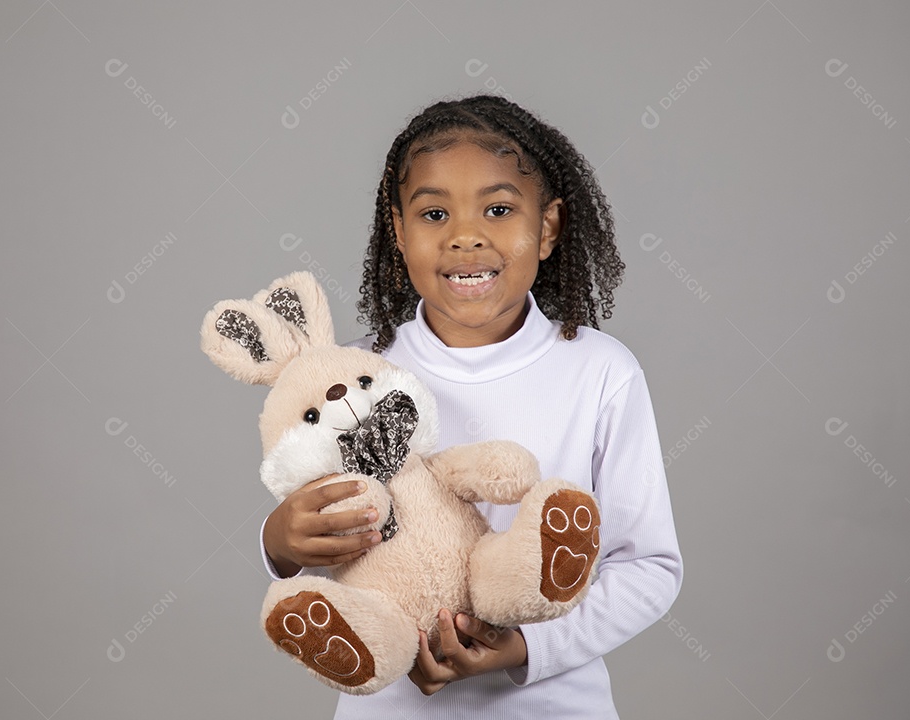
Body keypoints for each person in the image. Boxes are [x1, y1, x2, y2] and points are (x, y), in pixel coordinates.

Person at [259, 94, 683, 719]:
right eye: (433, 213)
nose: (464, 235)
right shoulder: (352, 380)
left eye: (499, 208)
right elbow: (311, 516)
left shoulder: (600, 372)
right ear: (399, 234)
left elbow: (648, 568)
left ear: (547, 228)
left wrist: (524, 646)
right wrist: (279, 543)